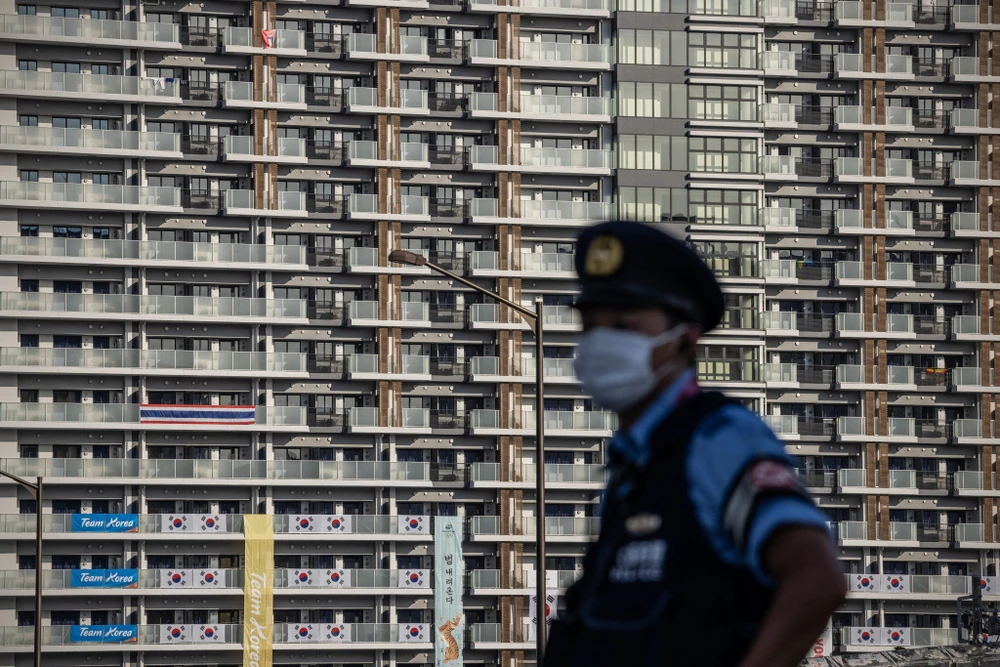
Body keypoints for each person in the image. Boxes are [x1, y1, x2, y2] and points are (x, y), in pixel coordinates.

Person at [544, 221, 846, 667]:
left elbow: (817, 578)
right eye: (591, 325)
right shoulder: (633, 468)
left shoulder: (716, 438)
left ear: (684, 341)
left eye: (624, 325)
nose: (600, 342)